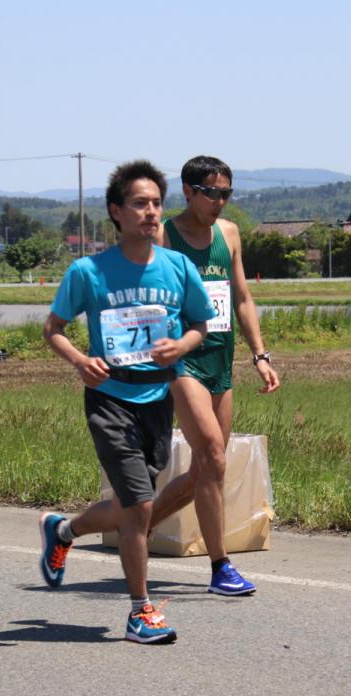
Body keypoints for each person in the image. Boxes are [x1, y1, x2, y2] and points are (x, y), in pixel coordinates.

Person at [42, 156, 280, 599]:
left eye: (227, 193)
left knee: (207, 470)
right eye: (211, 192)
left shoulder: (228, 235)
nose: (220, 201)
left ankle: (85, 528)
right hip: (175, 366)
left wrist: (260, 355)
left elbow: (241, 298)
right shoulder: (163, 236)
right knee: (211, 454)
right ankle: (219, 566)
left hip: (216, 356)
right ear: (188, 192)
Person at [37, 160, 213, 644]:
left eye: (156, 203)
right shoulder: (88, 272)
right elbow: (53, 329)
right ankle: (141, 611)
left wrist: (182, 346)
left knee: (134, 504)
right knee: (138, 507)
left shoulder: (177, 267)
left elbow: (201, 323)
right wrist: (79, 360)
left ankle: (64, 532)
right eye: (139, 203)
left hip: (158, 396)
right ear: (116, 212)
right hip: (109, 397)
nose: (151, 212)